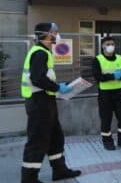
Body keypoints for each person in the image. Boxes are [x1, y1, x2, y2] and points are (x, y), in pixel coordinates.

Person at [21, 23, 82, 183]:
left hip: (46, 101)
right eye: (55, 32)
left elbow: (42, 77)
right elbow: (37, 78)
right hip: (38, 102)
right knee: (38, 139)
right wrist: (57, 87)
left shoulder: (44, 52)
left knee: (55, 137)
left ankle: (59, 170)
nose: (57, 35)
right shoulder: (40, 53)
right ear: (47, 35)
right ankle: (29, 179)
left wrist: (58, 86)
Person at [92, 36, 121, 150]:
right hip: (105, 94)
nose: (111, 46)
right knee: (106, 118)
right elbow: (97, 76)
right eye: (108, 44)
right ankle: (107, 142)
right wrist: (113, 76)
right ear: (103, 46)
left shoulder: (119, 58)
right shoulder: (97, 59)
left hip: (119, 93)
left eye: (112, 44)